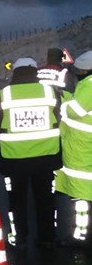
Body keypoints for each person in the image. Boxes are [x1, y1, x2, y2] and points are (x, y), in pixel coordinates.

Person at [0, 57, 61, 249]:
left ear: (15, 72)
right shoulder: (49, 91)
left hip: (15, 158)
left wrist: (8, 127)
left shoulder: (5, 93)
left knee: (17, 200)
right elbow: (58, 115)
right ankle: (47, 238)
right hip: (46, 157)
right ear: (35, 72)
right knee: (46, 199)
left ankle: (19, 237)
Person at [53, 51, 92, 244]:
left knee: (81, 193)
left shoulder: (90, 85)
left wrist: (66, 95)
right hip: (83, 145)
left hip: (83, 148)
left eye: (81, 70)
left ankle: (80, 236)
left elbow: (75, 111)